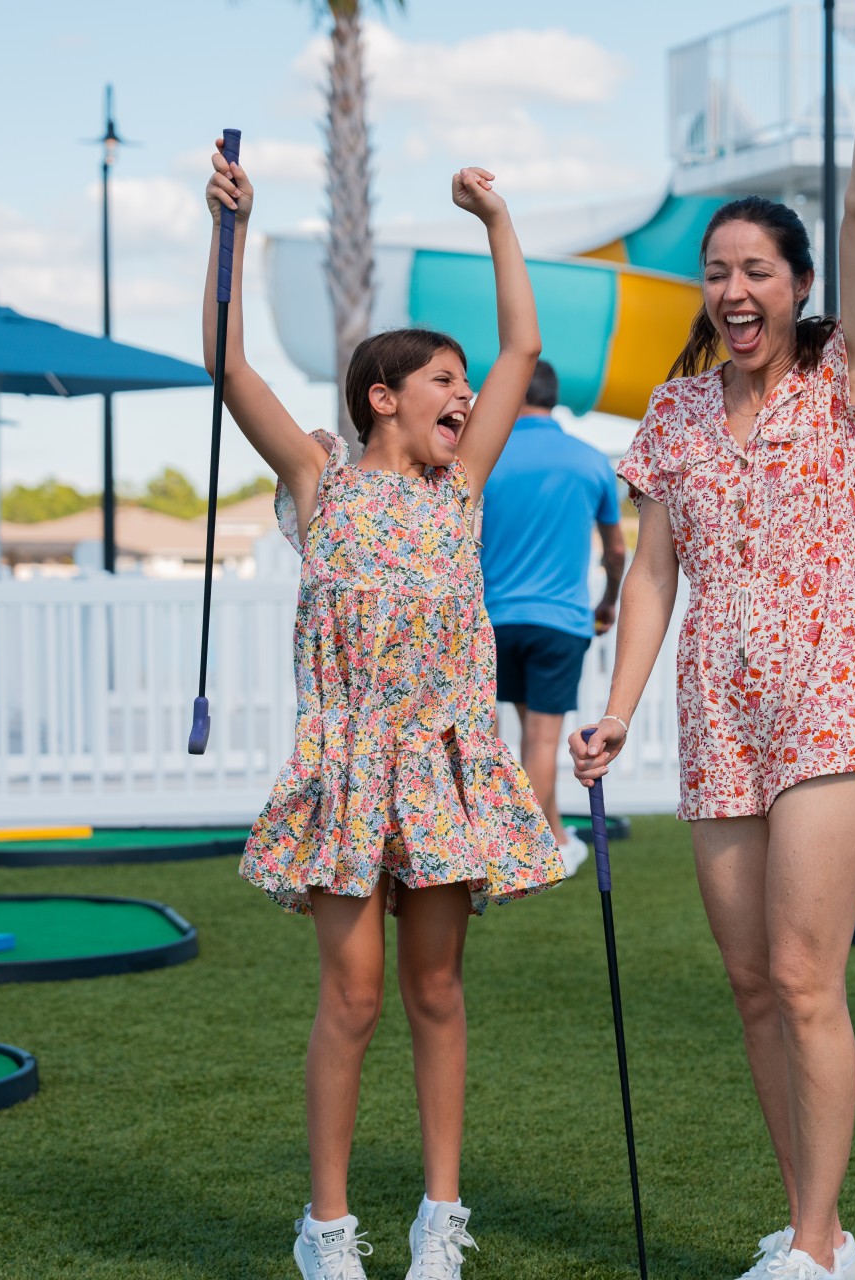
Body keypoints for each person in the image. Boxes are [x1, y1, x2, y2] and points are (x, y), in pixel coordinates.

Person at [570, 4, 855, 1277]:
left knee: (804, 973)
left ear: (799, 285)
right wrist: (617, 705)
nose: (731, 289)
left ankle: (820, 1246)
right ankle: (807, 1218)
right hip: (718, 709)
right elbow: (654, 571)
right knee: (751, 987)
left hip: (827, 695)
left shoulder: (847, 384)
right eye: (716, 272)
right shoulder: (671, 413)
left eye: (756, 270)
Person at [203, 143, 563, 1280]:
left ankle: (440, 1217)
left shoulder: (460, 490)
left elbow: (524, 348)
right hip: (349, 765)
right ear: (382, 397)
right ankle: (326, 1225)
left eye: (464, 386)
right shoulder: (321, 484)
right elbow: (224, 361)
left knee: (437, 990)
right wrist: (232, 229)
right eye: (442, 384)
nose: (465, 395)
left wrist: (496, 218)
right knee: (353, 995)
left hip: (443, 765)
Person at [479, 360, 626, 876]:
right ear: (554, 397)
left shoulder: (483, 458)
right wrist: (608, 600)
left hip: (490, 620)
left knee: (504, 734)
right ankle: (523, 852)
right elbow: (615, 552)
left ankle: (554, 834)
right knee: (541, 740)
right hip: (561, 620)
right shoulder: (589, 460)